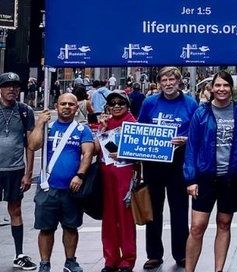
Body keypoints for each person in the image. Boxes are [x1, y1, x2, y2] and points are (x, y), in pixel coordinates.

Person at [184, 71, 237, 272]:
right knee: (197, 227)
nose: (221, 89)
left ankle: (219, 269)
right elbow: (192, 147)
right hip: (205, 177)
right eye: (218, 85)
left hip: (231, 177)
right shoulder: (201, 113)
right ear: (211, 88)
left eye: (225, 85)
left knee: (224, 223)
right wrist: (190, 179)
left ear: (231, 89)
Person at [137, 66, 198, 270]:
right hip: (154, 161)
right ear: (159, 82)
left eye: (172, 79)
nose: (168, 83)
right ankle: (154, 254)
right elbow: (140, 130)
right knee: (153, 209)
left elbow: (198, 133)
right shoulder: (149, 102)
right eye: (164, 80)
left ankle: (181, 253)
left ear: (179, 81)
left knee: (179, 209)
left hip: (179, 161)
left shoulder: (190, 103)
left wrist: (186, 140)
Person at [28, 93, 94, 272]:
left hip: (71, 189)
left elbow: (88, 153)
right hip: (47, 187)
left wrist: (80, 175)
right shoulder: (47, 127)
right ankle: (44, 263)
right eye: (63, 104)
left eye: (71, 104)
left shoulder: (82, 130)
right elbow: (33, 145)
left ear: (76, 108)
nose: (66, 107)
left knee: (71, 227)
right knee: (46, 228)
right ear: (56, 106)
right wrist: (40, 123)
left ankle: (70, 261)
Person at [95, 91, 137, 272]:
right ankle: (110, 259)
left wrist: (124, 154)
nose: (117, 106)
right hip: (107, 176)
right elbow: (95, 148)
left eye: (121, 102)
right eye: (112, 103)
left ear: (127, 105)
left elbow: (142, 152)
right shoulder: (106, 123)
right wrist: (101, 129)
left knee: (126, 218)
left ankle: (127, 259)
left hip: (125, 175)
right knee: (109, 219)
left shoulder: (134, 123)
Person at [0, 73, 36, 270]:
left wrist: (28, 172)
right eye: (7, 86)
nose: (11, 89)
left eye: (15, 86)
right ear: (0, 88)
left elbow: (30, 145)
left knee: (15, 210)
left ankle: (19, 254)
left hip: (15, 169)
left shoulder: (25, 111)